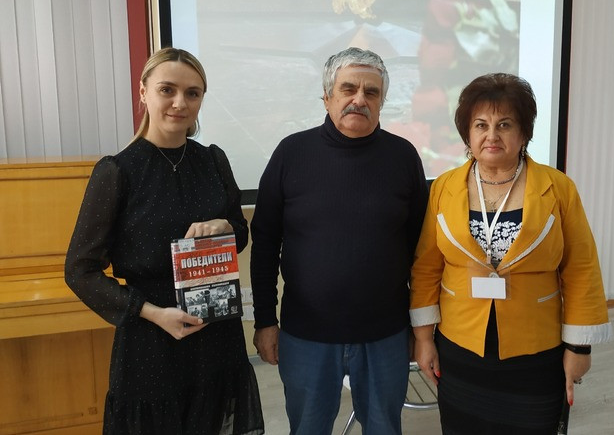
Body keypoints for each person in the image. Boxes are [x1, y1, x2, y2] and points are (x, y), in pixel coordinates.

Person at [65, 48, 264, 435]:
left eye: (192, 93)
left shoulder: (213, 160)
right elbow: (79, 270)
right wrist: (153, 314)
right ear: (143, 92)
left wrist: (224, 226)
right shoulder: (118, 171)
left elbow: (240, 233)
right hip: (152, 341)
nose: (180, 103)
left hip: (217, 336)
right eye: (167, 90)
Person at [410, 73, 613, 434]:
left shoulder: (558, 188)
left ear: (523, 133)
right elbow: (427, 267)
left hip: (535, 350)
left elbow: (581, 269)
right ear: (468, 134)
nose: (492, 135)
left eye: (504, 124)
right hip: (460, 347)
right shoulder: (443, 187)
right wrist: (424, 338)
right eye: (481, 125)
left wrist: (579, 349)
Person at [250, 47, 428, 435]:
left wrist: (421, 328)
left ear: (381, 102)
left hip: (385, 335)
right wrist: (265, 320)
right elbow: (264, 242)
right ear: (327, 96)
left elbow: (422, 250)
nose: (359, 99)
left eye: (371, 92)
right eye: (348, 88)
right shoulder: (291, 153)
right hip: (306, 335)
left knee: (384, 428)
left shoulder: (403, 157)